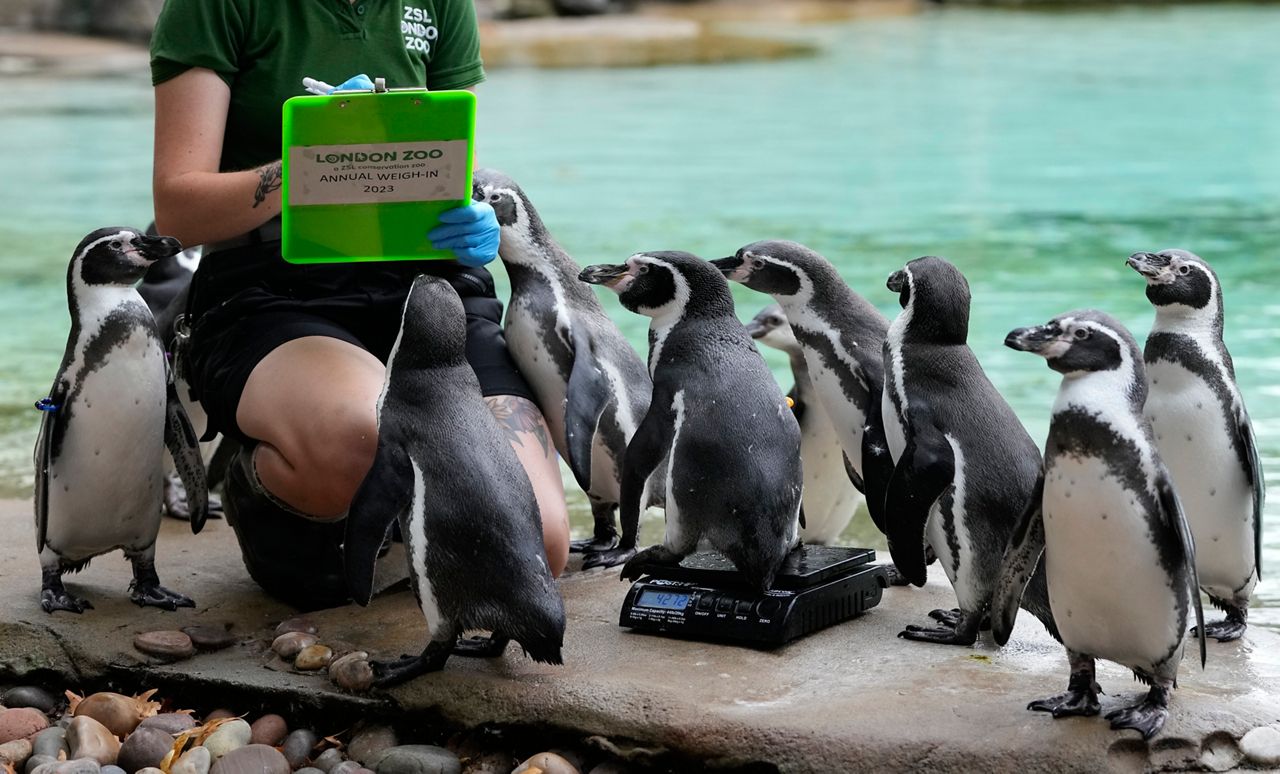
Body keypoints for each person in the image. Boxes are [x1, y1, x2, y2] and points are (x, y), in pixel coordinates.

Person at [149, 0, 571, 610]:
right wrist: (314, 163)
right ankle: (263, 491)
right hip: (273, 292)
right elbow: (178, 213)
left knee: (535, 548)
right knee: (364, 439)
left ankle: (396, 520)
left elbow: (455, 161)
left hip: (430, 291)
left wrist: (473, 210)